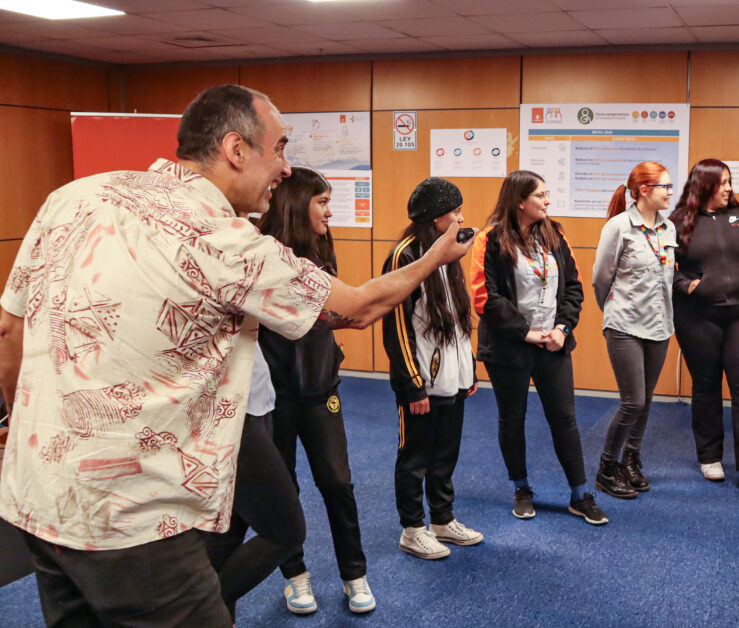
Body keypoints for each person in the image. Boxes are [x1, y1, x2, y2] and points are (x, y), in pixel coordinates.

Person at [0, 84, 471, 626]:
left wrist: (20, 423)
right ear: (235, 149)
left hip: (36, 494)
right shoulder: (224, 241)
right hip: (134, 518)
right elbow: (359, 308)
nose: (287, 168)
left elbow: (11, 329)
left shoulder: (75, 197)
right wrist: (436, 256)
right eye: (280, 148)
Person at [257, 167, 374, 614]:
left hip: (322, 389)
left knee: (338, 484)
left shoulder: (323, 250)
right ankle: (296, 577)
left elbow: (332, 314)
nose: (330, 210)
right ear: (295, 205)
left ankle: (355, 576)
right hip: (277, 396)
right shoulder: (263, 254)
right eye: (321, 202)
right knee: (283, 491)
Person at [468, 170, 606, 525]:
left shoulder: (555, 234)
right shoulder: (490, 240)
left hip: (553, 344)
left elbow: (574, 287)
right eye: (541, 195)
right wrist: (525, 332)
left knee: (565, 419)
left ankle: (579, 494)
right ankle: (522, 488)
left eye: (547, 194)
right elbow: (485, 298)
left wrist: (562, 327)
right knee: (512, 419)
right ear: (519, 201)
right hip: (510, 347)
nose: (547, 201)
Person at [383, 178, 482, 560]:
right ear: (437, 218)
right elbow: (398, 327)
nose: (461, 218)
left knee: (445, 452)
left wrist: (468, 369)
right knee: (415, 456)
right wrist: (413, 384)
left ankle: (442, 519)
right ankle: (413, 529)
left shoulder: (450, 250)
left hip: (451, 378)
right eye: (455, 212)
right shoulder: (405, 256)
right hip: (420, 380)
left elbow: (458, 318)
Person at [670, 159, 739, 486]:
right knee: (707, 386)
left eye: (729, 181)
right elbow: (664, 267)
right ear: (705, 185)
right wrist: (688, 285)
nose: (729, 188)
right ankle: (710, 457)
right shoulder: (678, 221)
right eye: (723, 182)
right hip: (697, 316)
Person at [591, 161, 676, 499]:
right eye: (665, 187)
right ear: (644, 190)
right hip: (624, 324)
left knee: (646, 400)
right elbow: (601, 278)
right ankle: (607, 468)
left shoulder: (668, 229)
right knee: (633, 401)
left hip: (659, 324)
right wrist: (612, 310)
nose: (671, 193)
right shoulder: (618, 226)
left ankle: (630, 460)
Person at [202, 346, 305, 622]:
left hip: (256, 403)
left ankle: (219, 617)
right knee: (287, 531)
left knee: (227, 533)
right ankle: (199, 610)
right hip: (231, 414)